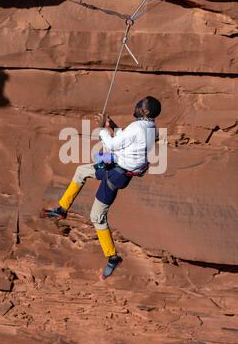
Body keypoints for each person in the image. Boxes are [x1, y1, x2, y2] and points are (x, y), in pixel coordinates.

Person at [43, 96, 162, 278]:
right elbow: (127, 139)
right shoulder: (151, 127)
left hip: (115, 174)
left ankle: (113, 257)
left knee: (97, 217)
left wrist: (101, 128)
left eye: (139, 105)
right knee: (81, 171)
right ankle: (62, 209)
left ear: (145, 111)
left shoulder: (138, 127)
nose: (136, 106)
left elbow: (113, 144)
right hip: (115, 166)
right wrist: (112, 126)